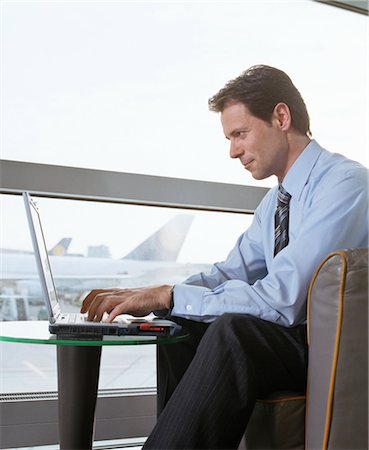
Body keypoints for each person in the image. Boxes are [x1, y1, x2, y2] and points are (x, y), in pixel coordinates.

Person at [81, 65, 368, 449]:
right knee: (181, 322)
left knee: (233, 331)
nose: (233, 151)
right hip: (294, 341)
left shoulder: (345, 184)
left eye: (240, 134)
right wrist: (156, 295)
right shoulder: (275, 203)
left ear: (281, 117)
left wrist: (170, 295)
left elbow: (284, 299)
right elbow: (230, 272)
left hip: (329, 350)